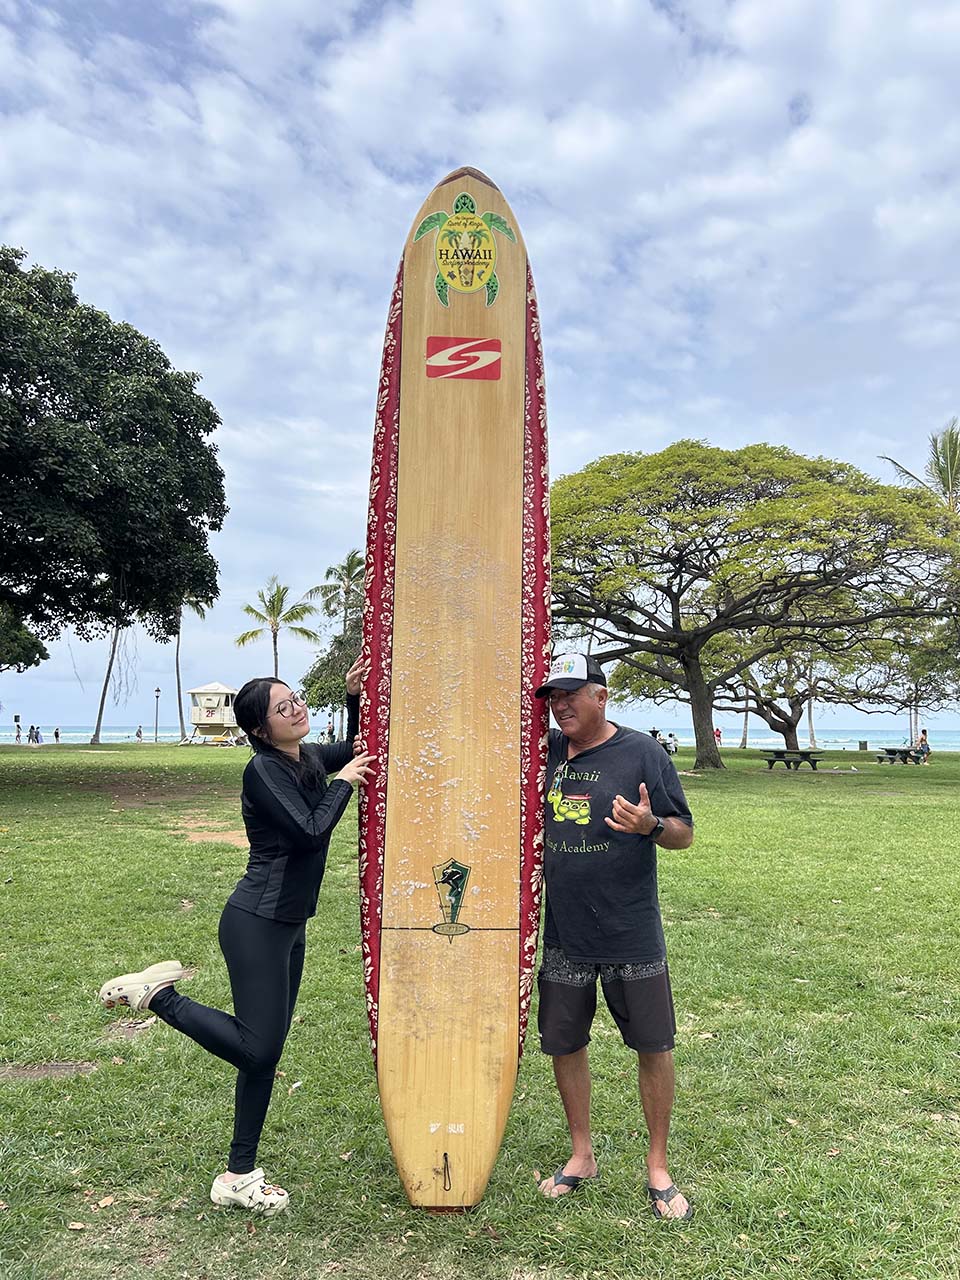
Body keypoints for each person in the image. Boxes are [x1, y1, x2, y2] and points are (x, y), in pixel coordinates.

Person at [98, 659, 375, 1216]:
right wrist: (342, 787)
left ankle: (239, 1174)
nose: (296, 708)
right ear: (258, 730)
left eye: (294, 699)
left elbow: (354, 747)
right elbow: (309, 832)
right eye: (281, 708)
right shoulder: (263, 771)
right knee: (259, 1046)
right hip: (258, 922)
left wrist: (352, 697)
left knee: (262, 1058)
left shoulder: (305, 758)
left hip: (287, 925)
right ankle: (158, 998)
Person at [535, 653, 695, 1219]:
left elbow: (684, 834)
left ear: (602, 696)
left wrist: (649, 825)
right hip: (565, 933)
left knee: (653, 1045)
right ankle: (582, 1154)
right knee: (564, 1042)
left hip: (630, 930)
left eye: (572, 694)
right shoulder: (547, 751)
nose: (560, 706)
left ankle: (657, 1165)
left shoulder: (643, 753)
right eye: (553, 697)